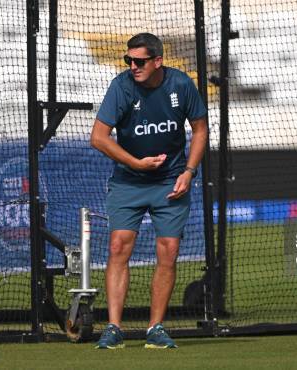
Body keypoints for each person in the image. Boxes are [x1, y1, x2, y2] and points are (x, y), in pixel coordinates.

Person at [90, 33, 208, 349]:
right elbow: (99, 137)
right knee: (118, 246)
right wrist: (136, 164)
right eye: (129, 60)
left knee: (168, 250)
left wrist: (189, 171)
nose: (133, 66)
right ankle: (114, 328)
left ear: (158, 61)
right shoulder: (121, 86)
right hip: (129, 182)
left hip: (171, 181)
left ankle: (155, 328)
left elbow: (200, 129)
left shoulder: (181, 85)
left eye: (139, 61)